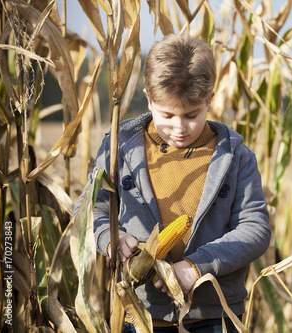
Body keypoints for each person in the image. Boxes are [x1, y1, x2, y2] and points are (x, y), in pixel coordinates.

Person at [74, 34, 271, 332]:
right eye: (167, 114)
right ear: (148, 98)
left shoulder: (237, 157)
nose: (179, 128)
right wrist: (110, 238)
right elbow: (88, 213)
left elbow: (255, 228)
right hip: (138, 311)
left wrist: (197, 267)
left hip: (213, 314)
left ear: (210, 99)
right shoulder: (119, 150)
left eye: (191, 115)